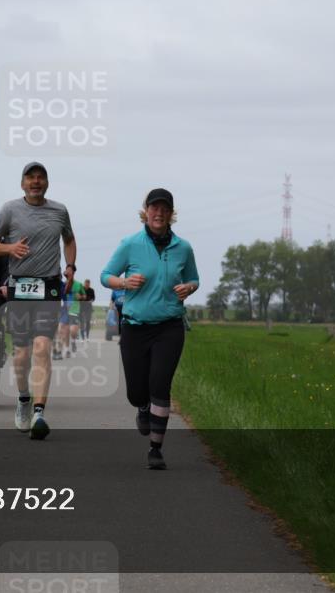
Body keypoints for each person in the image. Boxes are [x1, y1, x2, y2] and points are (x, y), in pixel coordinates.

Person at [100, 188, 199, 470]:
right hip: (134, 327)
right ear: (146, 211)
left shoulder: (183, 247)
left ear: (171, 214)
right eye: (154, 208)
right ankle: (142, 408)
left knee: (160, 384)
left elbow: (194, 278)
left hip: (169, 326)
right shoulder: (130, 244)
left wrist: (189, 287)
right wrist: (124, 283)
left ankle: (156, 448)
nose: (159, 213)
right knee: (136, 393)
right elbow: (106, 275)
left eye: (164, 209)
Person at [0, 162, 76, 440]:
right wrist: (10, 248)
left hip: (49, 286)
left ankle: (39, 412)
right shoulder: (9, 209)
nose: (36, 182)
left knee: (42, 347)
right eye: (31, 178)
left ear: (47, 183)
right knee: (22, 354)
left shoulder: (59, 210)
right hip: (20, 287)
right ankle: (24, 399)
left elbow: (69, 239)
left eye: (41, 178)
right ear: (23, 183)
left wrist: (71, 266)